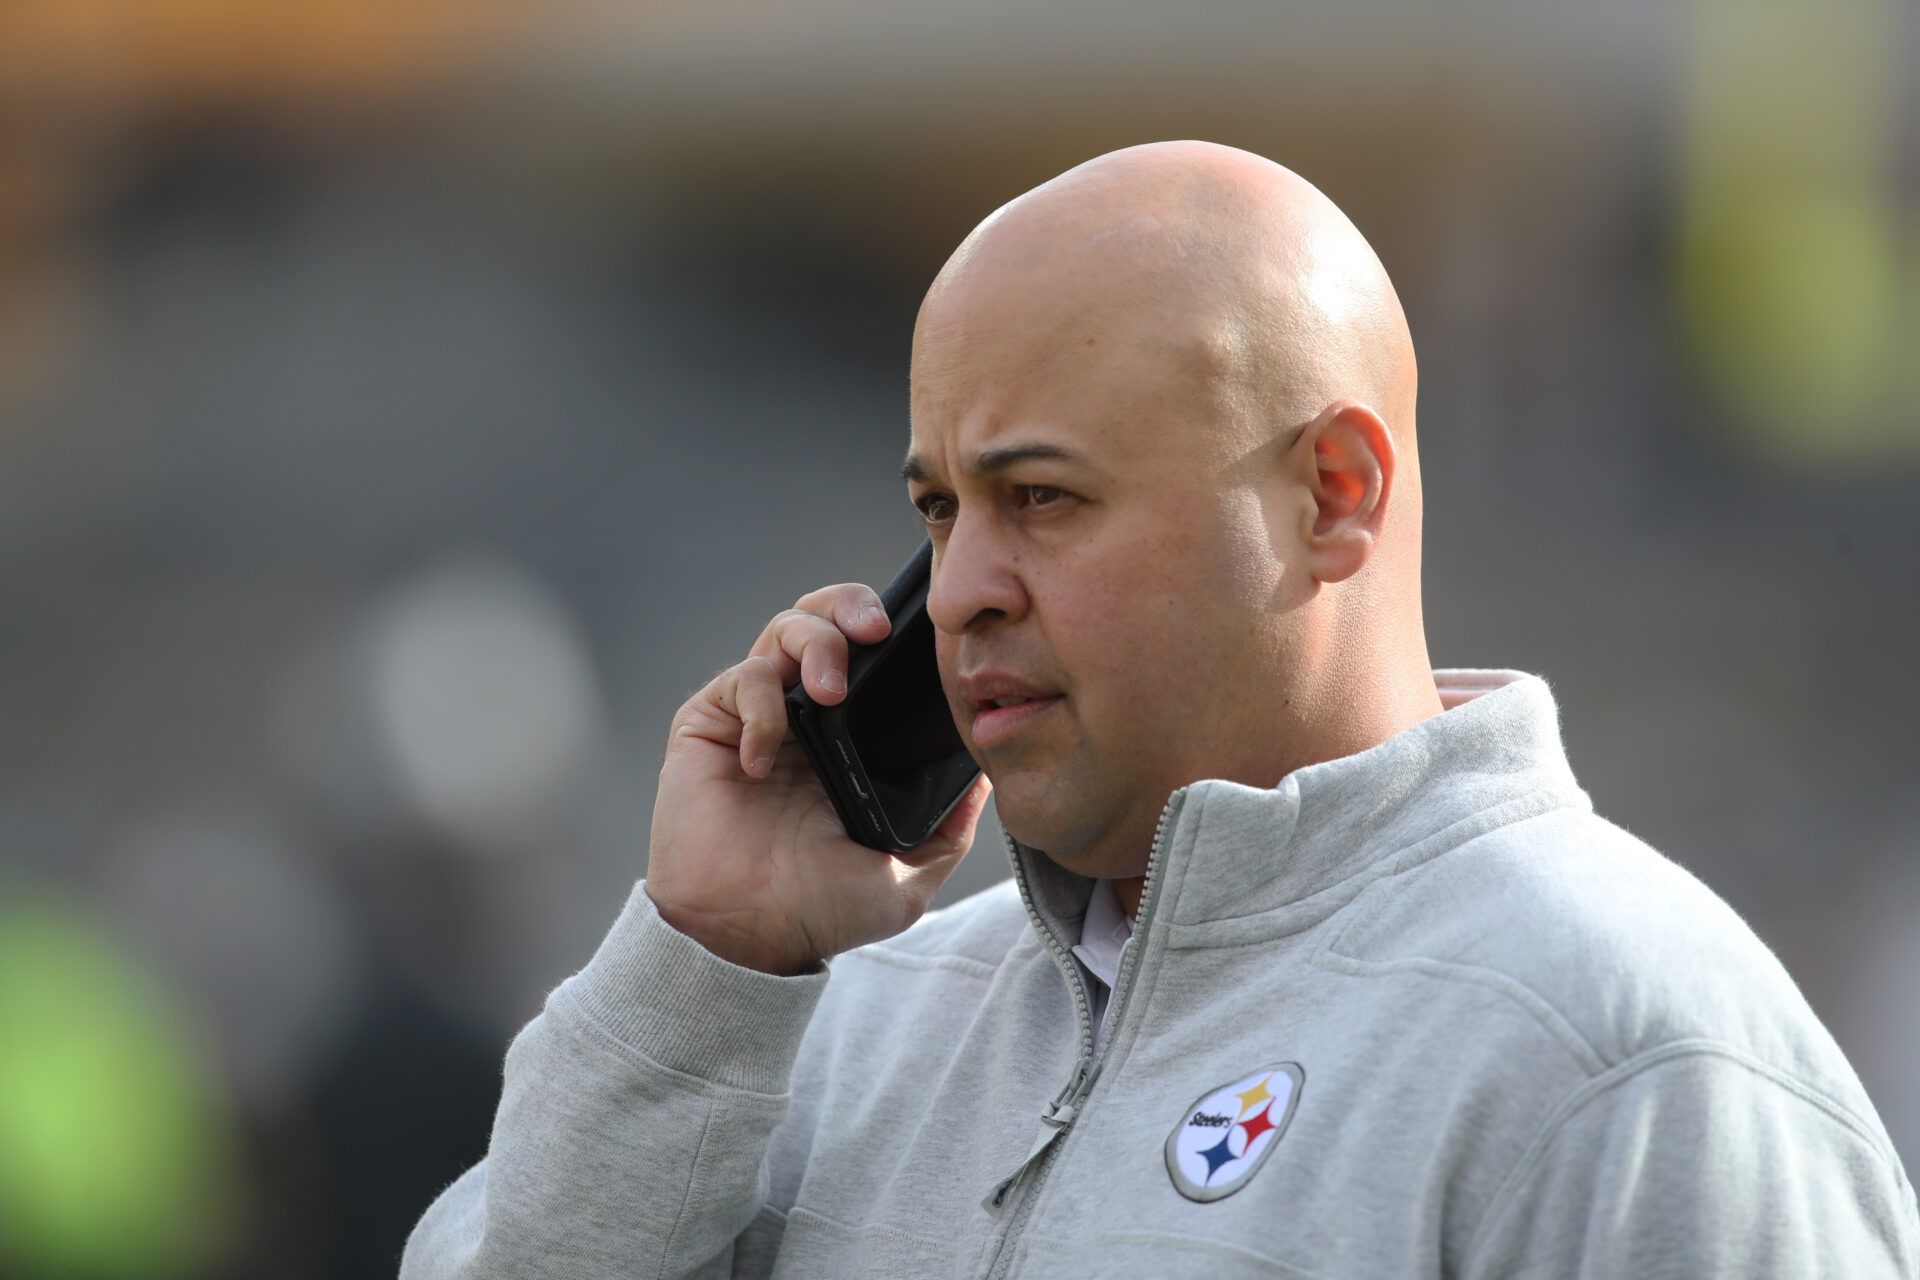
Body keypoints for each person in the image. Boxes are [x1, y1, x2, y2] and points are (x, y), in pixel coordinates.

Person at [401, 141, 1919, 1277]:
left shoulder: (1624, 1045)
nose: (965, 589)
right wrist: (710, 969)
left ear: (1336, 495)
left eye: (1042, 497)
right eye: (940, 511)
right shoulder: (834, 1026)